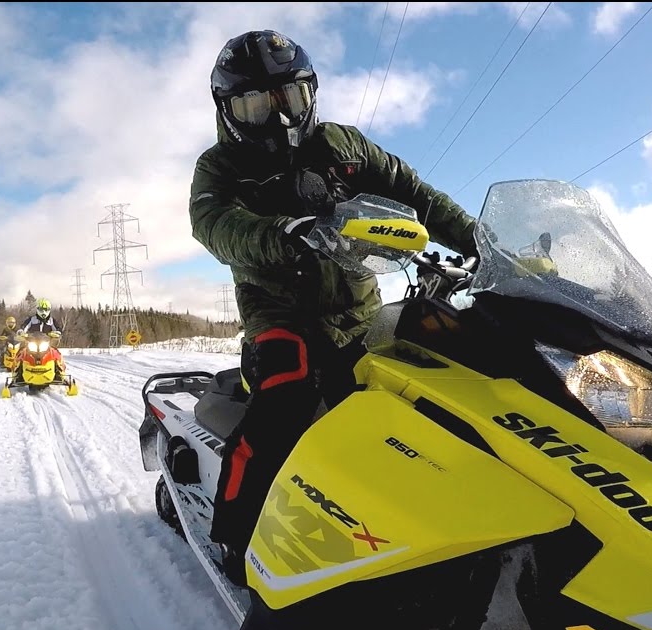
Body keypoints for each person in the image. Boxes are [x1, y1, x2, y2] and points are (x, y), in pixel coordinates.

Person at [190, 29, 479, 586]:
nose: (277, 119)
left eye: (288, 100)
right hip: (278, 315)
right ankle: (234, 532)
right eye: (256, 106)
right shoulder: (219, 167)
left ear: (309, 94)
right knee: (286, 395)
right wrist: (290, 231)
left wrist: (481, 242)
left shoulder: (346, 145)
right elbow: (216, 225)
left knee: (430, 396)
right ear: (228, 111)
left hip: (360, 309)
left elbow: (417, 193)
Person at [15, 298, 66, 380]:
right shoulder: (31, 319)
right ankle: (16, 373)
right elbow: (24, 326)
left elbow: (58, 329)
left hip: (47, 343)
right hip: (31, 342)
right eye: (41, 309)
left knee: (56, 353)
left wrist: (57, 333)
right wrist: (21, 332)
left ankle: (60, 373)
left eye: (46, 309)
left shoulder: (51, 321)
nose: (43, 312)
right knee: (21, 353)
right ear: (37, 309)